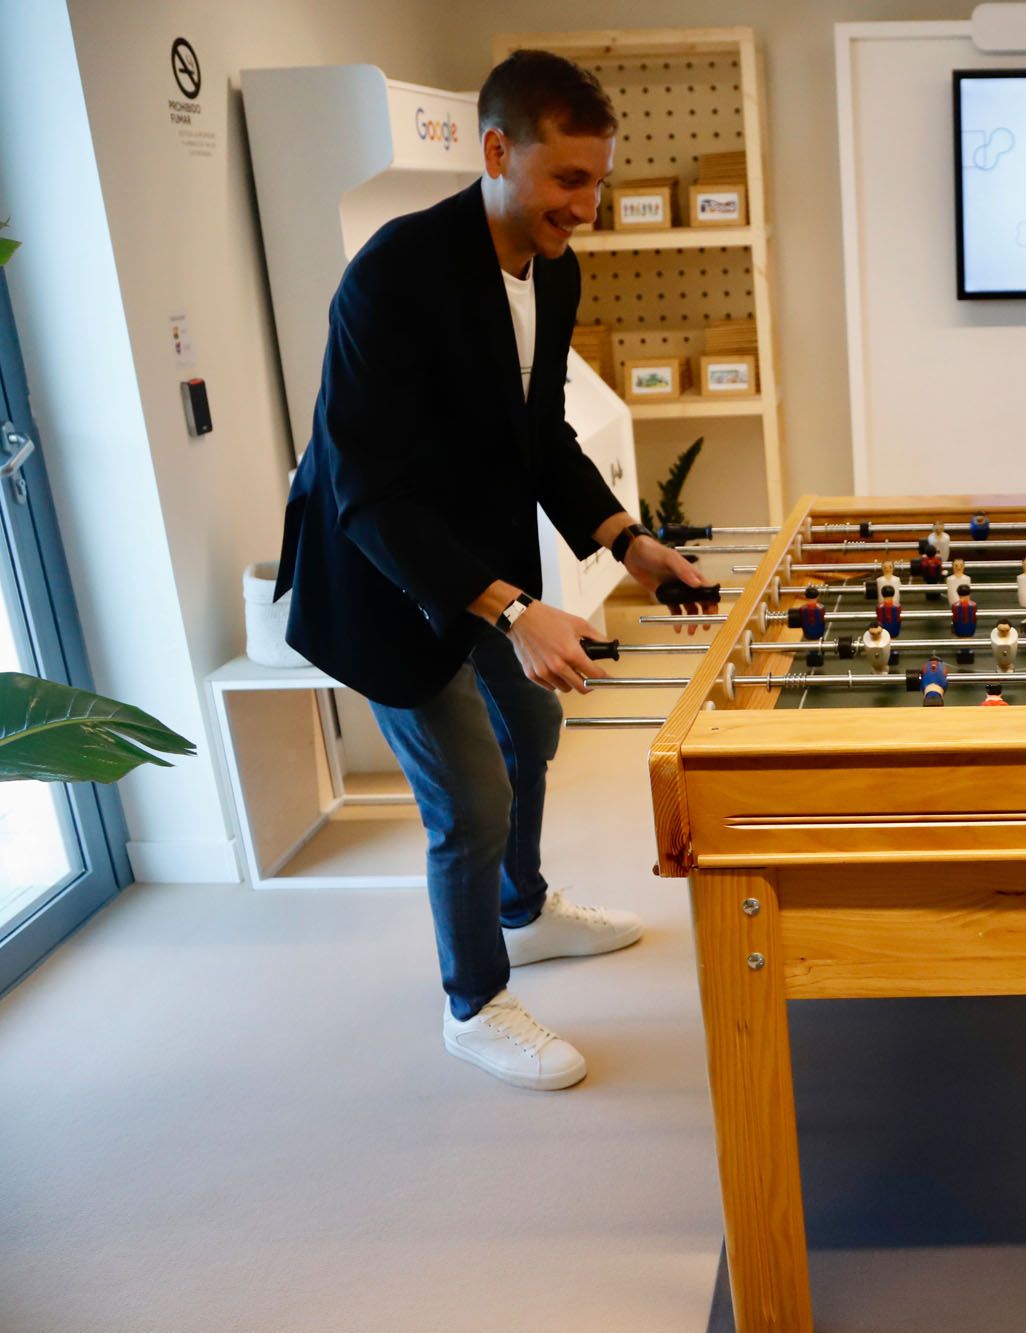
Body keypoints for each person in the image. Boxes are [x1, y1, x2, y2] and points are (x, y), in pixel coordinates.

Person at [273, 51, 715, 1091]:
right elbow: (369, 493)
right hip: (378, 572)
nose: (588, 205)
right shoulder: (395, 272)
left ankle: (524, 909)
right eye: (568, 179)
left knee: (536, 724)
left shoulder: (551, 269)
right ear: (495, 153)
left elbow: (537, 431)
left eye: (598, 180)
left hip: (474, 555)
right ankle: (472, 1001)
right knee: (469, 796)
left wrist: (628, 540)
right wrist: (517, 608)